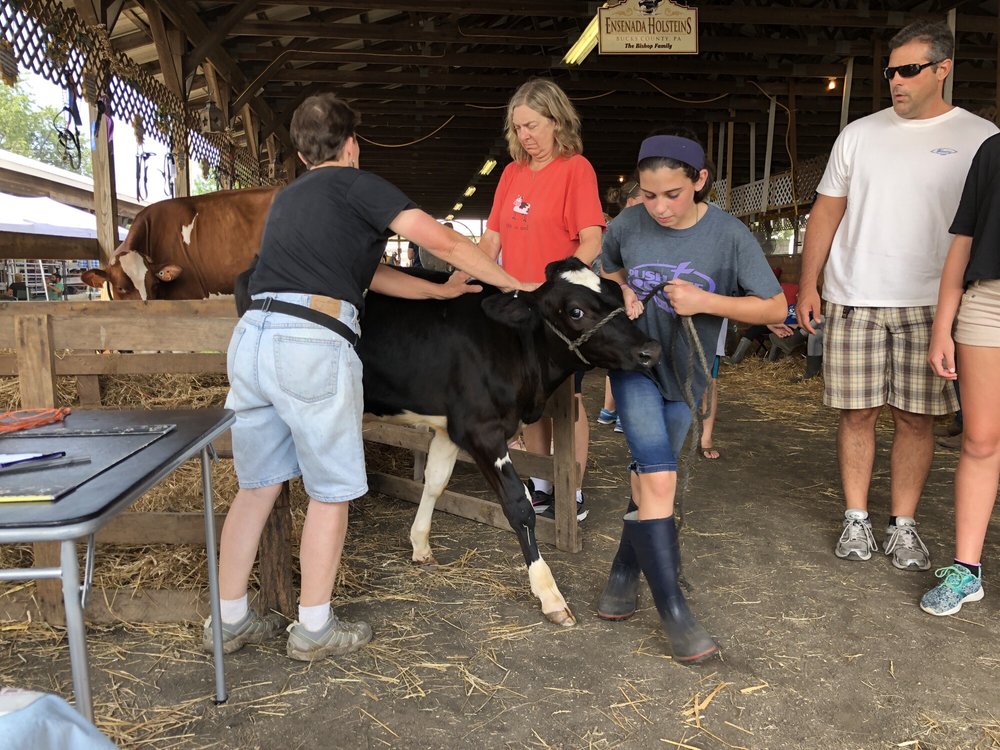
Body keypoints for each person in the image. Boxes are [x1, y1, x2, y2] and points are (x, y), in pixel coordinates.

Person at [210, 92, 532, 663]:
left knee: (256, 487)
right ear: (352, 144)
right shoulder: (359, 184)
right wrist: (513, 285)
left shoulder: (289, 200)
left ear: (303, 152)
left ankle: (229, 620)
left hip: (253, 340)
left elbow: (370, 272)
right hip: (310, 340)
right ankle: (314, 627)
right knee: (331, 492)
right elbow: (447, 240)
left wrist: (438, 290)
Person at [796, 20, 998, 572]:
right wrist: (809, 283)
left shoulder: (979, 137)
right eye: (891, 71)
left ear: (943, 69)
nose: (896, 81)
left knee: (917, 418)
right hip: (855, 293)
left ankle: (903, 524)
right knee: (857, 413)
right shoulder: (858, 134)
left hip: (933, 303)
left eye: (909, 70)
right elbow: (827, 211)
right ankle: (856, 516)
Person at [597, 132, 786, 663]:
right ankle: (675, 612)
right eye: (649, 194)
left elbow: (774, 309)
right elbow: (605, 268)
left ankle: (623, 569)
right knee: (657, 473)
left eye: (673, 194)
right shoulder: (627, 223)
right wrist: (625, 290)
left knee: (648, 479)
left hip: (688, 377)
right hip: (634, 367)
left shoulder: (728, 235)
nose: (658, 207)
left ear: (701, 182)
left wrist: (707, 300)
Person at [479, 78, 606, 521]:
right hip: (517, 301)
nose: (525, 136)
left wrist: (560, 285)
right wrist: (469, 276)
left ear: (556, 120)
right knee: (529, 400)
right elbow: (491, 237)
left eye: (532, 126)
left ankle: (570, 489)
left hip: (556, 305)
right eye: (518, 128)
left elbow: (591, 238)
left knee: (566, 399)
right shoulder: (512, 172)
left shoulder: (576, 169)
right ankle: (542, 485)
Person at [920, 133, 1000, 616]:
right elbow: (965, 240)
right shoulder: (994, 151)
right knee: (981, 440)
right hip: (990, 302)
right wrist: (942, 326)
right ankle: (966, 571)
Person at [598, 179, 643, 434]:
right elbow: (613, 268)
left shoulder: (613, 227)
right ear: (631, 202)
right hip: (621, 297)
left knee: (617, 355)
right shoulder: (624, 230)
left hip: (612, 296)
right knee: (627, 353)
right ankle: (623, 413)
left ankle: (610, 411)